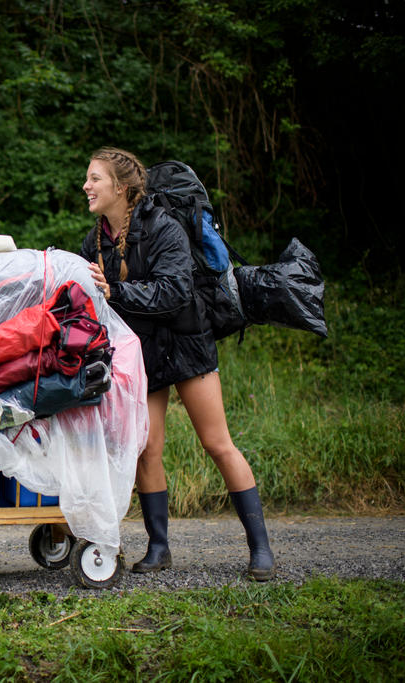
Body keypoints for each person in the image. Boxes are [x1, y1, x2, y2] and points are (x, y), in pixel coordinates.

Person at [79, 147, 275, 581]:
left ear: (121, 188)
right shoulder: (93, 241)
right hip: (141, 354)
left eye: (95, 179)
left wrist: (114, 292)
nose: (86, 186)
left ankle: (260, 549)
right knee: (148, 449)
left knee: (217, 443)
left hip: (187, 344)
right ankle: (159, 548)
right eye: (87, 179)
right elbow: (99, 307)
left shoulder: (164, 228)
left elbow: (174, 293)